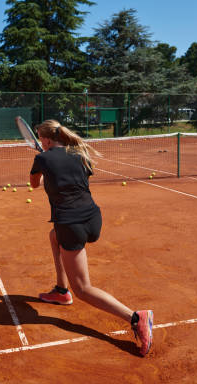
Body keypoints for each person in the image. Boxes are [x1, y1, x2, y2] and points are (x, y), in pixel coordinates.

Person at [29, 119, 154, 357]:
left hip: (71, 224)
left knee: (84, 289)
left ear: (45, 140)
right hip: (93, 219)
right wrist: (49, 162)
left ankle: (136, 317)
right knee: (54, 236)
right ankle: (61, 290)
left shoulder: (42, 158)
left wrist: (42, 161)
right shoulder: (78, 153)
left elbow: (35, 184)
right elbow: (74, 179)